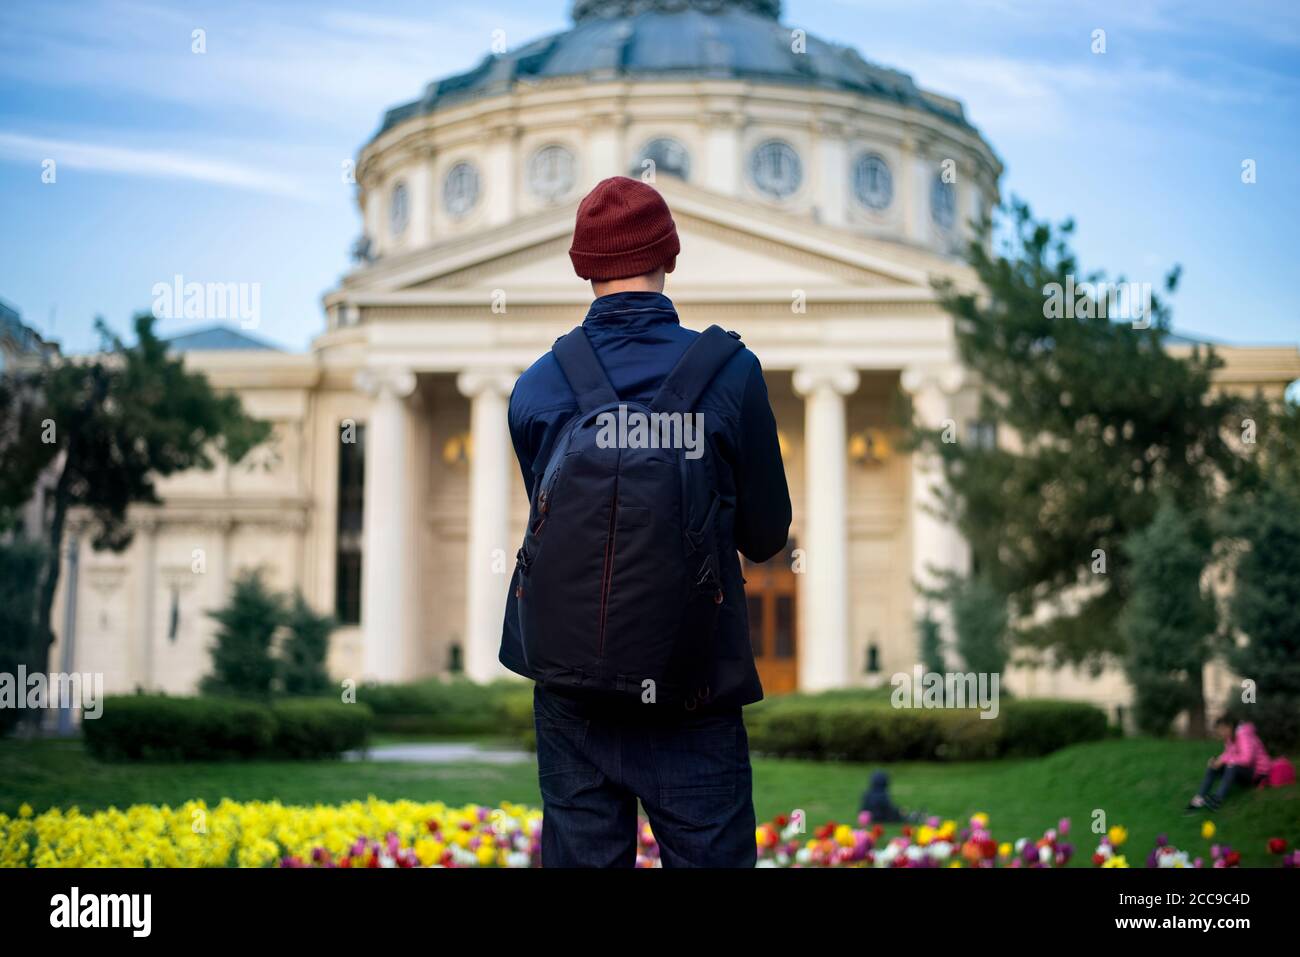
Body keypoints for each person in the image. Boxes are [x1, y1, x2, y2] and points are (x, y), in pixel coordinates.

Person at [500, 176, 791, 867]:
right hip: (694, 686)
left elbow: (555, 523)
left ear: (582, 266)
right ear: (670, 255)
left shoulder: (538, 383)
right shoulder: (732, 373)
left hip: (574, 696)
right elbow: (765, 535)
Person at [1187, 715, 1271, 811]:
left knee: (1231, 765)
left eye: (1223, 729)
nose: (1221, 733)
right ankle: (1199, 798)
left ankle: (1217, 800)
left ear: (1230, 726)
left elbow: (1247, 759)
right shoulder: (1230, 736)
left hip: (1258, 773)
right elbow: (1229, 753)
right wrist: (1217, 760)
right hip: (1245, 770)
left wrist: (1224, 760)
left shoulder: (1243, 735)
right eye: (1219, 730)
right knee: (1214, 766)